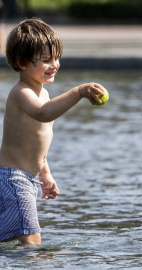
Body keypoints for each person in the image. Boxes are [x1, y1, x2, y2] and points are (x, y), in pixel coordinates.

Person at [0, 18, 106, 246]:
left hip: (26, 178)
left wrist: (45, 173)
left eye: (56, 58)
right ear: (22, 62)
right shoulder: (22, 92)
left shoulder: (44, 95)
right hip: (13, 178)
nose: (55, 64)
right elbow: (43, 114)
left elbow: (40, 140)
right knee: (32, 240)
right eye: (46, 60)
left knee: (11, 235)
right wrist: (78, 92)